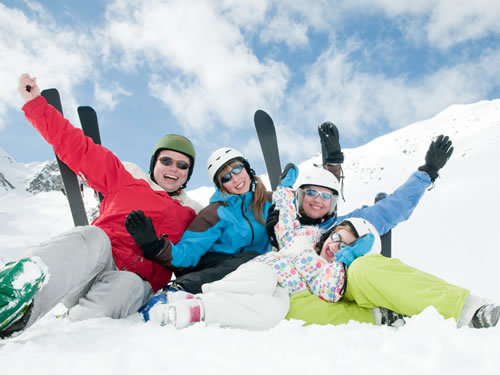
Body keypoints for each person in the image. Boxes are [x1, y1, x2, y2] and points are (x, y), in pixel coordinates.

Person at [0, 74, 201, 339]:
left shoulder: (193, 214)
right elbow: (76, 147)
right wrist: (35, 103)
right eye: (166, 160)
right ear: (154, 162)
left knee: (127, 285)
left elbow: (204, 253)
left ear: (189, 173)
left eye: (182, 165)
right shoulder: (126, 179)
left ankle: (70, 335)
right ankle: (12, 295)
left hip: (132, 282)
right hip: (92, 262)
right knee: (91, 236)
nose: (173, 169)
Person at [125, 147, 275, 295]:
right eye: (226, 178)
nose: (235, 179)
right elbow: (188, 251)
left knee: (261, 264)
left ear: (247, 168)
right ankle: (178, 291)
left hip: (253, 271)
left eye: (237, 169)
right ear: (221, 186)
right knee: (251, 259)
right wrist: (156, 247)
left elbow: (298, 204)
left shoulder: (271, 200)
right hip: (207, 270)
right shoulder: (214, 213)